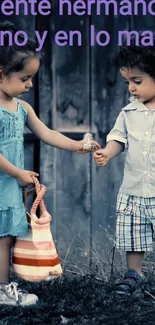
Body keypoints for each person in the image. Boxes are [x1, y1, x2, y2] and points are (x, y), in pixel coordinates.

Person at [0, 21, 100, 306]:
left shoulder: (22, 108)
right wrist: (18, 172)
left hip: (9, 184)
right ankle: (2, 289)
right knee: (3, 236)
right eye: (25, 78)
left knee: (6, 235)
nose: (30, 84)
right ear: (0, 75)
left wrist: (78, 145)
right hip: (6, 178)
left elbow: (47, 133)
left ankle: (3, 285)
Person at [94, 31, 155, 295]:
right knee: (134, 234)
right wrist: (108, 151)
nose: (131, 87)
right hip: (134, 188)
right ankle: (133, 274)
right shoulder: (128, 111)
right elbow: (119, 137)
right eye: (127, 81)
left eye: (137, 81)